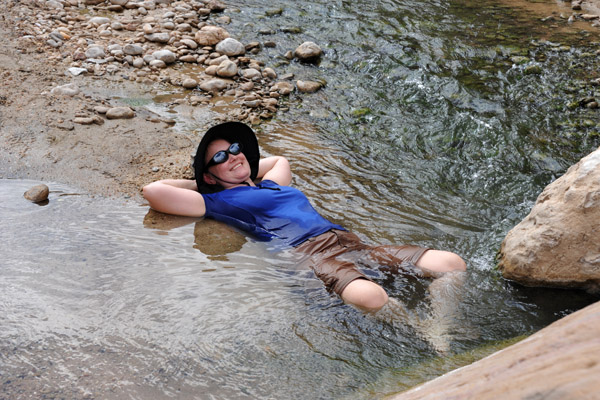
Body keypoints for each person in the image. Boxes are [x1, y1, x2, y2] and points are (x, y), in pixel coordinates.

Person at [143, 121, 466, 313]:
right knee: (372, 297)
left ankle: (443, 328)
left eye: (236, 148)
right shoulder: (221, 201)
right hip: (306, 254)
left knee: (451, 264)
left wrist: (240, 170)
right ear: (210, 176)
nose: (233, 155)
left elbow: (279, 160)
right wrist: (202, 184)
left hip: (349, 242)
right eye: (220, 156)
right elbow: (153, 191)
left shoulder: (273, 186)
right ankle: (417, 328)